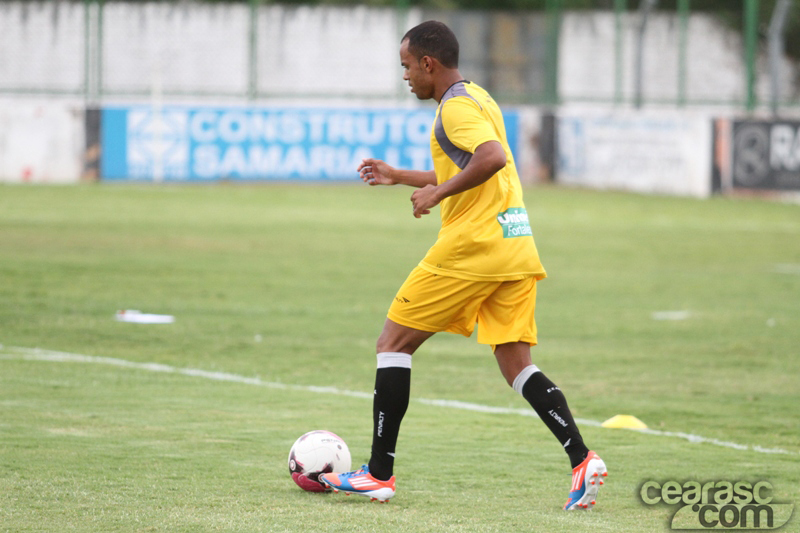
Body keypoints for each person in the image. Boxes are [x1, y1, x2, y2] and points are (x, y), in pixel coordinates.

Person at [320, 20, 607, 510]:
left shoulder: (452, 108)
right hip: (513, 246)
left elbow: (492, 157)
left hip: (471, 248)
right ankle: (582, 459)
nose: (406, 76)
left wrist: (436, 193)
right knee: (517, 364)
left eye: (408, 67)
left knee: (393, 343)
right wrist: (402, 176)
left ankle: (379, 474)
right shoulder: (477, 97)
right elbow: (472, 163)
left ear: (429, 63)